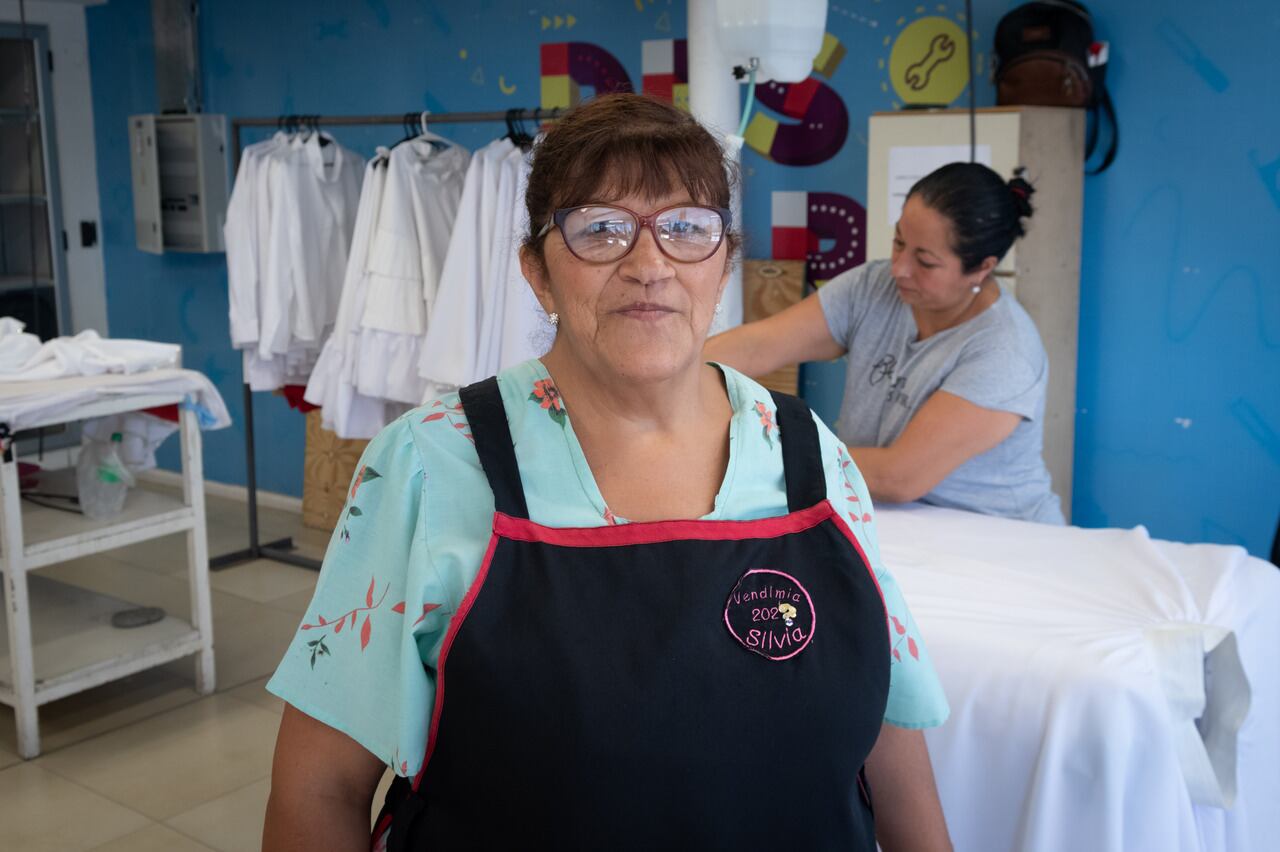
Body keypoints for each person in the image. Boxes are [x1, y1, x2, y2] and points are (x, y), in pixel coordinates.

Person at [262, 94, 952, 852]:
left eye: (686, 228)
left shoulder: (805, 455)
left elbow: (891, 735)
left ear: (722, 264)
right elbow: (319, 788)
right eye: (600, 230)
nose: (649, 265)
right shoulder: (434, 464)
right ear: (538, 273)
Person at [706, 163, 1064, 524]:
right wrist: (672, 374)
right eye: (899, 242)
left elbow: (898, 477)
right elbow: (758, 346)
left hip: (999, 537)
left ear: (982, 268)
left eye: (925, 261)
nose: (899, 268)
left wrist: (757, 454)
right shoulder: (874, 287)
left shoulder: (1004, 353)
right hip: (888, 518)